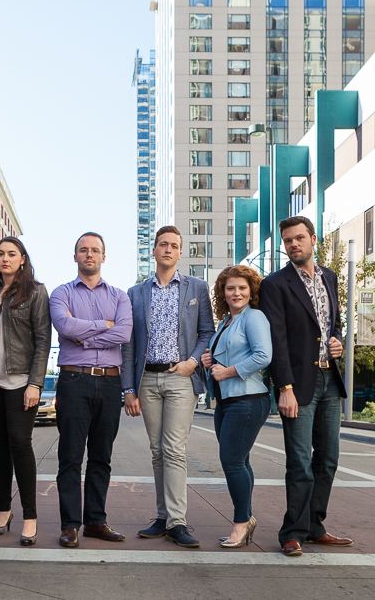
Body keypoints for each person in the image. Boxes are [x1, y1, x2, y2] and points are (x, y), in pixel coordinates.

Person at [259, 216, 351, 557]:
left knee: (328, 459)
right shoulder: (275, 284)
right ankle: (292, 532)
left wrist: (337, 341)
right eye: (287, 240)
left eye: (299, 238)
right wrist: (283, 387)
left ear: (313, 239)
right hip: (297, 384)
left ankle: (315, 526)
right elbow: (277, 340)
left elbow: (333, 324)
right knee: (299, 461)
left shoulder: (330, 277)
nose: (293, 244)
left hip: (330, 379)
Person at [121, 226, 215, 547]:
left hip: (181, 377)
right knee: (157, 451)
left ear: (180, 252)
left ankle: (177, 521)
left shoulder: (196, 288)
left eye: (175, 245)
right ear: (154, 250)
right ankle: (162, 516)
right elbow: (129, 344)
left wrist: (192, 361)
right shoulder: (135, 293)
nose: (169, 250)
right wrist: (128, 389)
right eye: (163, 244)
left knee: (174, 448)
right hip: (146, 378)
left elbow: (207, 332)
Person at [50, 232, 132, 548]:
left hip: (111, 382)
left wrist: (84, 335)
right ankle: (70, 525)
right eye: (83, 250)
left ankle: (96, 522)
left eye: (95, 250)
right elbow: (64, 326)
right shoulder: (61, 293)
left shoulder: (120, 296)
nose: (89, 254)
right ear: (75, 257)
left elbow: (124, 332)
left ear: (103, 257)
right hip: (74, 380)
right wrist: (105, 326)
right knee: (70, 456)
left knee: (102, 456)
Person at [0, 237, 51, 547]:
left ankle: (29, 517)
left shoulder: (36, 291)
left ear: (22, 259)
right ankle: (4, 511)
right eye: (0, 253)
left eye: (11, 254)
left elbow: (43, 340)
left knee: (21, 444)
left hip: (20, 381)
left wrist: (35, 383)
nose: (5, 258)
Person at [200, 265, 271, 548]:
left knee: (231, 462)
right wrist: (209, 363)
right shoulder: (226, 322)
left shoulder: (254, 317)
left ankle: (241, 524)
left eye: (242, 287)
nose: (236, 293)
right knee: (240, 461)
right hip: (227, 401)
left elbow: (264, 355)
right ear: (223, 293)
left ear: (251, 290)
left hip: (248, 399)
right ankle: (247, 518)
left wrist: (228, 371)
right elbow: (223, 360)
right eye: (230, 288)